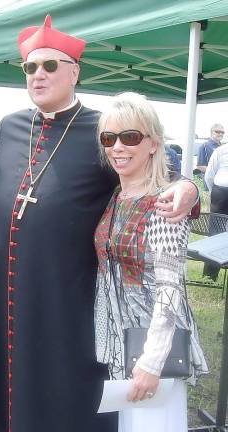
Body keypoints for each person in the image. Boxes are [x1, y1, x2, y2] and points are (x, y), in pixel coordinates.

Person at [0, 15, 198, 432]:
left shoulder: (104, 130)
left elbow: (154, 171)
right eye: (30, 67)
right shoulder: (9, 127)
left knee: (64, 387)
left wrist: (189, 188)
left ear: (74, 71)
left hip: (69, 292)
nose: (38, 75)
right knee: (8, 380)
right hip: (7, 288)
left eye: (50, 66)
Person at [94, 92, 208, 432]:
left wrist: (153, 361)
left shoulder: (165, 204)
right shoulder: (118, 195)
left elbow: (170, 290)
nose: (117, 147)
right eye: (109, 138)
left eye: (130, 137)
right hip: (121, 345)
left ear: (153, 144)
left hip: (153, 352)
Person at [203, 142, 228, 280]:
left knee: (215, 232)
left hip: (220, 190)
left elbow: (209, 175)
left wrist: (213, 192)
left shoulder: (220, 150)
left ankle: (210, 274)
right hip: (220, 190)